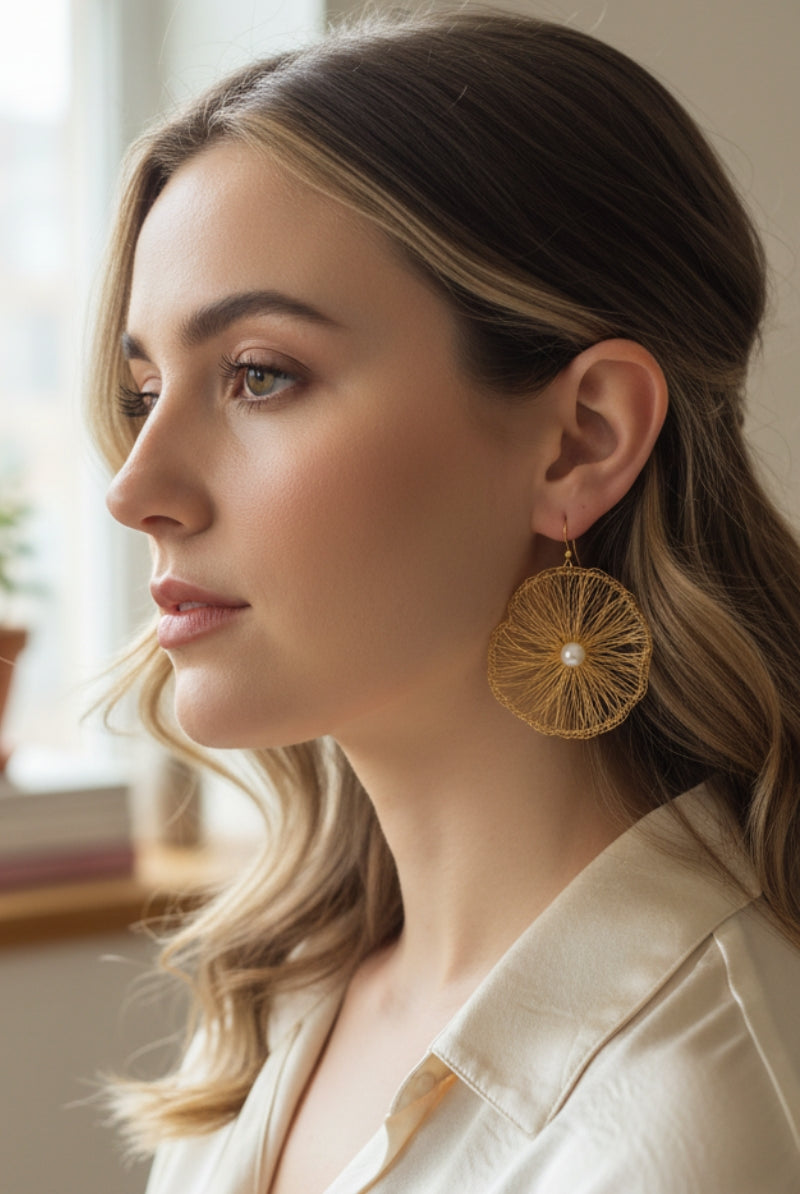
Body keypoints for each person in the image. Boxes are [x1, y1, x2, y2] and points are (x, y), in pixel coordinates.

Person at [90, 8, 800, 1192]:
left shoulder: (698, 1116)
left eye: (258, 375)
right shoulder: (283, 995)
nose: (136, 487)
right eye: (146, 388)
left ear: (580, 439)